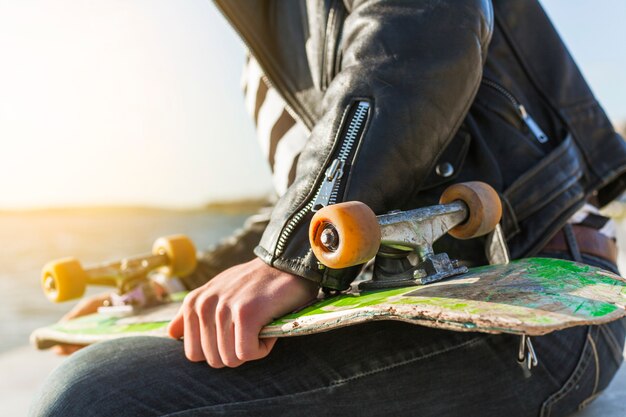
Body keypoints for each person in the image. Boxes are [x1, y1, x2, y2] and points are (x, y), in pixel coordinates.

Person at [31, 1, 626, 416]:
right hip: (402, 303)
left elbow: (422, 27)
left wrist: (294, 253)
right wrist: (173, 283)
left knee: (99, 400)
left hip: (540, 297)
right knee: (114, 371)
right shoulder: (261, 51)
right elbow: (297, 204)